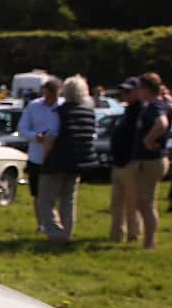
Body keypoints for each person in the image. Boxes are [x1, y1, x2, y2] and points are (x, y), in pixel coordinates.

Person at [37, 75, 94, 244]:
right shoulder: (89, 113)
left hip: (57, 161)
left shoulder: (59, 113)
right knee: (68, 200)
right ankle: (67, 232)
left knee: (46, 200)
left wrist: (44, 159)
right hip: (77, 162)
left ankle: (55, 233)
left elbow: (50, 139)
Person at [131, 73, 172, 249]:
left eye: (139, 88)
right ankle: (149, 241)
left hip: (151, 160)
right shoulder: (157, 104)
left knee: (145, 203)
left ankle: (149, 242)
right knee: (146, 202)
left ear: (147, 89)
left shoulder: (155, 106)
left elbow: (162, 123)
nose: (137, 91)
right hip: (153, 159)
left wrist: (148, 140)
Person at [108, 80, 145, 243]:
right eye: (124, 91)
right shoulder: (127, 111)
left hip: (131, 162)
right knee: (116, 202)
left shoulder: (141, 112)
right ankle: (116, 234)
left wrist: (135, 159)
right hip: (118, 161)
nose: (125, 95)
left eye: (128, 91)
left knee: (132, 203)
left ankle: (134, 235)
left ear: (138, 92)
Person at [18, 79, 62, 209]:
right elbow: (22, 128)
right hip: (36, 157)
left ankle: (54, 218)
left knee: (56, 193)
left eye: (53, 96)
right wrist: (35, 136)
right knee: (37, 194)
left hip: (57, 156)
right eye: (47, 95)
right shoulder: (34, 106)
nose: (50, 99)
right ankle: (41, 220)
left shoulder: (63, 106)